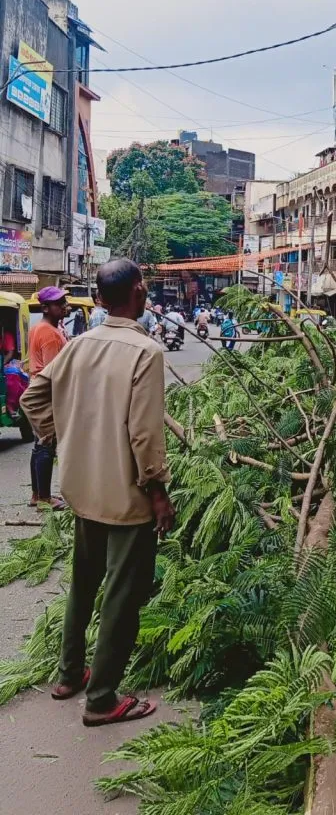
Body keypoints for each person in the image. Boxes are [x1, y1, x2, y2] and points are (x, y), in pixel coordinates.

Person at [21, 258, 174, 728]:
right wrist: (158, 492)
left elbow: (32, 397)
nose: (146, 290)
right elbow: (146, 435)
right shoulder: (145, 352)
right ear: (135, 294)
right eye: (143, 285)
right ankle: (103, 698)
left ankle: (70, 675)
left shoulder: (78, 345)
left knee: (84, 582)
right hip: (125, 495)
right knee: (121, 596)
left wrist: (58, 440)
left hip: (82, 487)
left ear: (102, 299)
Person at [27, 286, 69, 510]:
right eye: (58, 303)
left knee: (38, 444)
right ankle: (44, 497)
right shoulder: (50, 333)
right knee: (46, 443)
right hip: (46, 392)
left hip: (36, 387)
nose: (64, 306)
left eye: (64, 302)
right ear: (45, 307)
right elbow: (55, 372)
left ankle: (37, 494)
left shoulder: (39, 327)